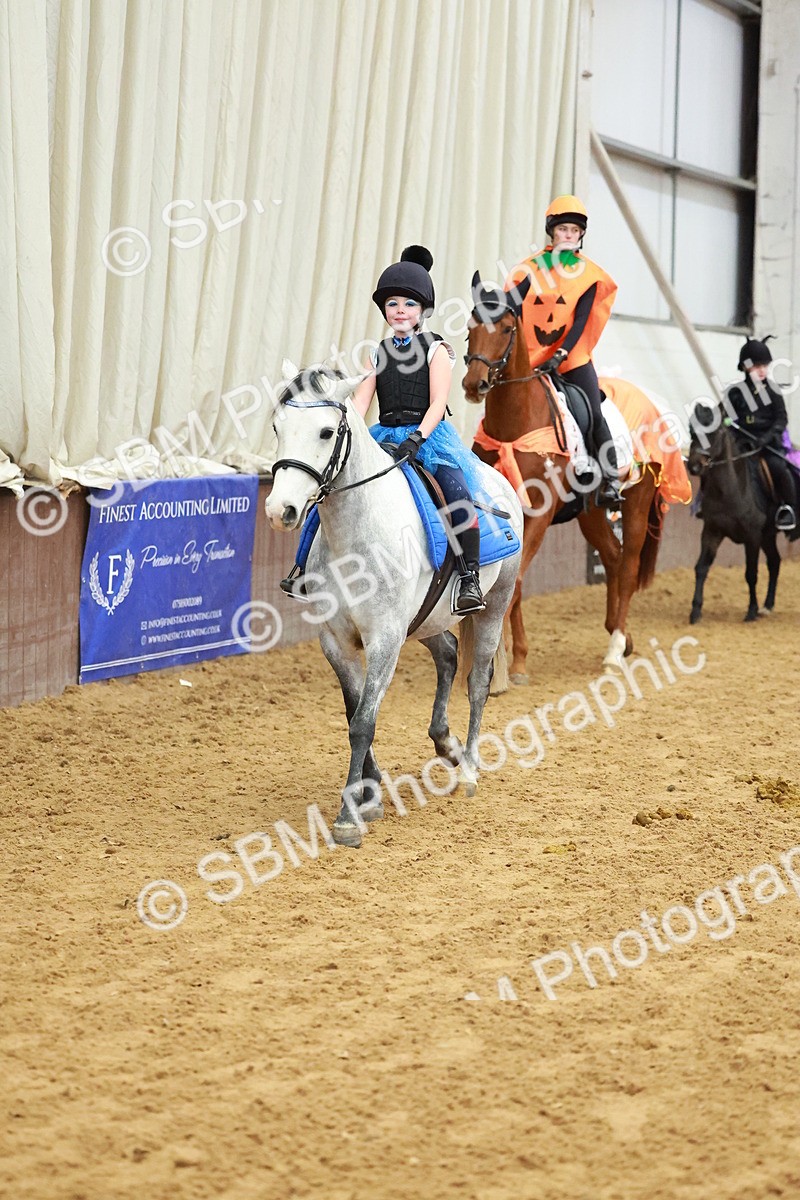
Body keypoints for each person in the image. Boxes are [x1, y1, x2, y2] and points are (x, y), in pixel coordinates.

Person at [280, 246, 487, 613]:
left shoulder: (437, 350)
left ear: (422, 310)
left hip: (427, 437)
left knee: (457, 493)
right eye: (393, 305)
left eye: (408, 304)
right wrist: (351, 428)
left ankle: (469, 577)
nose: (400, 311)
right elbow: (361, 400)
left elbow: (438, 402)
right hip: (384, 435)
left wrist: (418, 436)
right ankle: (303, 568)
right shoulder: (378, 353)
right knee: (325, 496)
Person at [510, 195, 622, 507]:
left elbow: (581, 321)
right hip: (532, 356)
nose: (569, 235)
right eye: (563, 229)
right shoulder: (528, 271)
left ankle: (609, 478)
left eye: (574, 230)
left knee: (593, 411)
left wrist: (560, 355)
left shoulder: (589, 274)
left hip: (571, 357)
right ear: (552, 232)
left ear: (581, 234)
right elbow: (513, 314)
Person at [725, 337, 797, 531]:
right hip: (742, 445)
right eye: (757, 366)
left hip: (768, 444)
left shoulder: (773, 391)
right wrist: (735, 434)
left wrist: (766, 438)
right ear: (746, 367)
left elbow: (781, 419)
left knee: (780, 468)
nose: (762, 370)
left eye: (765, 365)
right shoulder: (735, 393)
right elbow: (728, 420)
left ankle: (786, 508)